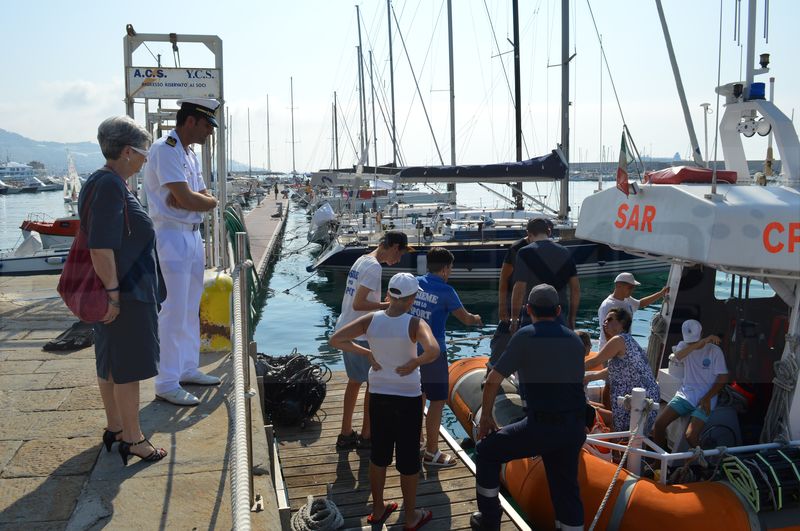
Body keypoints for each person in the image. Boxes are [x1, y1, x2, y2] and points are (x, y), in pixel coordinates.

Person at [83, 116, 167, 465]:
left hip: (123, 290)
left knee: (112, 364)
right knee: (128, 368)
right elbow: (100, 247)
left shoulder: (101, 181)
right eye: (145, 151)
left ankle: (117, 428)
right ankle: (133, 439)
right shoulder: (110, 185)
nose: (147, 158)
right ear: (128, 151)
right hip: (127, 294)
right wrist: (114, 295)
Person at [471, 284, 586, 531]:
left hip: (541, 425)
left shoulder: (525, 336)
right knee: (566, 488)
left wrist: (486, 417)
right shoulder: (576, 340)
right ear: (558, 310)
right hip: (574, 427)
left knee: (486, 452)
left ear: (528, 309)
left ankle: (489, 519)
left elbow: (492, 380)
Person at [329, 273, 439, 530]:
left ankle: (378, 509)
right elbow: (433, 350)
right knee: (408, 459)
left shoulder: (371, 320)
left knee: (378, 456)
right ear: (412, 299)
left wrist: (367, 352)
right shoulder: (415, 323)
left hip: (379, 396)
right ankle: (410, 517)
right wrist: (415, 362)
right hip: (408, 398)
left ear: (389, 294)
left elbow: (336, 340)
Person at [142, 98, 220, 406]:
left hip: (192, 235)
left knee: (190, 306)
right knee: (174, 309)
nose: (210, 132)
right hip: (171, 236)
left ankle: (187, 368)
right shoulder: (165, 149)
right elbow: (189, 198)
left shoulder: (189, 154)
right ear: (191, 121)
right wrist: (203, 201)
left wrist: (197, 199)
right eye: (207, 125)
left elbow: (196, 196)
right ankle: (166, 381)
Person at [334, 230, 412, 449]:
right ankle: (367, 435)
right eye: (400, 253)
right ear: (394, 247)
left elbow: (356, 299)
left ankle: (346, 432)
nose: (399, 259)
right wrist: (387, 305)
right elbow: (360, 303)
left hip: (346, 327)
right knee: (373, 383)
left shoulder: (362, 260)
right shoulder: (375, 267)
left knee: (354, 382)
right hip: (361, 334)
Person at [411, 247, 482, 467]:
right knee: (437, 401)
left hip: (411, 350)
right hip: (433, 354)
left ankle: (417, 442)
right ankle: (432, 452)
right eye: (450, 268)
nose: (450, 272)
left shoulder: (414, 283)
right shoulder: (446, 291)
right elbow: (465, 319)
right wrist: (477, 318)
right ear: (444, 269)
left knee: (418, 396)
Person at [652, 320, 728, 449]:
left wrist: (707, 397)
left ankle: (703, 460)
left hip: (707, 396)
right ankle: (660, 459)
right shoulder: (683, 346)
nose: (691, 343)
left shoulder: (715, 351)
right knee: (659, 425)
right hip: (686, 394)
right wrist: (700, 343)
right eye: (690, 341)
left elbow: (723, 377)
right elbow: (678, 356)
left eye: (694, 340)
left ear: (702, 333)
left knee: (691, 436)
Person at [584, 308, 660, 433]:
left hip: (638, 399)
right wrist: (590, 378)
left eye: (610, 319)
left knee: (626, 435)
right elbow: (614, 369)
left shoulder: (618, 340)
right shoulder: (628, 340)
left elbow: (596, 361)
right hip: (645, 397)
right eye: (605, 320)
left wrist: (568, 370)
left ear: (622, 323)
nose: (605, 322)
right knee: (631, 435)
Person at [509, 218, 579, 332]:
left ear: (528, 234)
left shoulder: (524, 252)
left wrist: (514, 319)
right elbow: (575, 289)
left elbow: (519, 289)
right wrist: (572, 318)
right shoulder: (565, 252)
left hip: (532, 314)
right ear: (549, 232)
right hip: (559, 313)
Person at [597, 272, 668, 349]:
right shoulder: (607, 305)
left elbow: (641, 303)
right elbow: (606, 331)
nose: (632, 290)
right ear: (618, 286)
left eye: (633, 287)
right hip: (610, 348)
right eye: (630, 287)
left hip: (624, 346)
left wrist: (660, 294)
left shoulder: (627, 299)